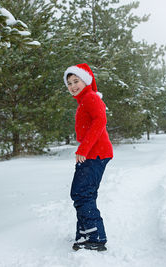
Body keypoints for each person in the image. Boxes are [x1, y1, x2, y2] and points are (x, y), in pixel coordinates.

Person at [63, 63, 113, 251]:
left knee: (82, 193)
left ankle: (96, 236)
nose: (73, 86)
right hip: (92, 153)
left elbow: (100, 121)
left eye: (76, 81)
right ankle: (85, 233)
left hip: (95, 154)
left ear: (86, 80)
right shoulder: (84, 100)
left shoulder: (91, 98)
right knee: (83, 193)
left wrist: (83, 149)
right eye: (69, 83)